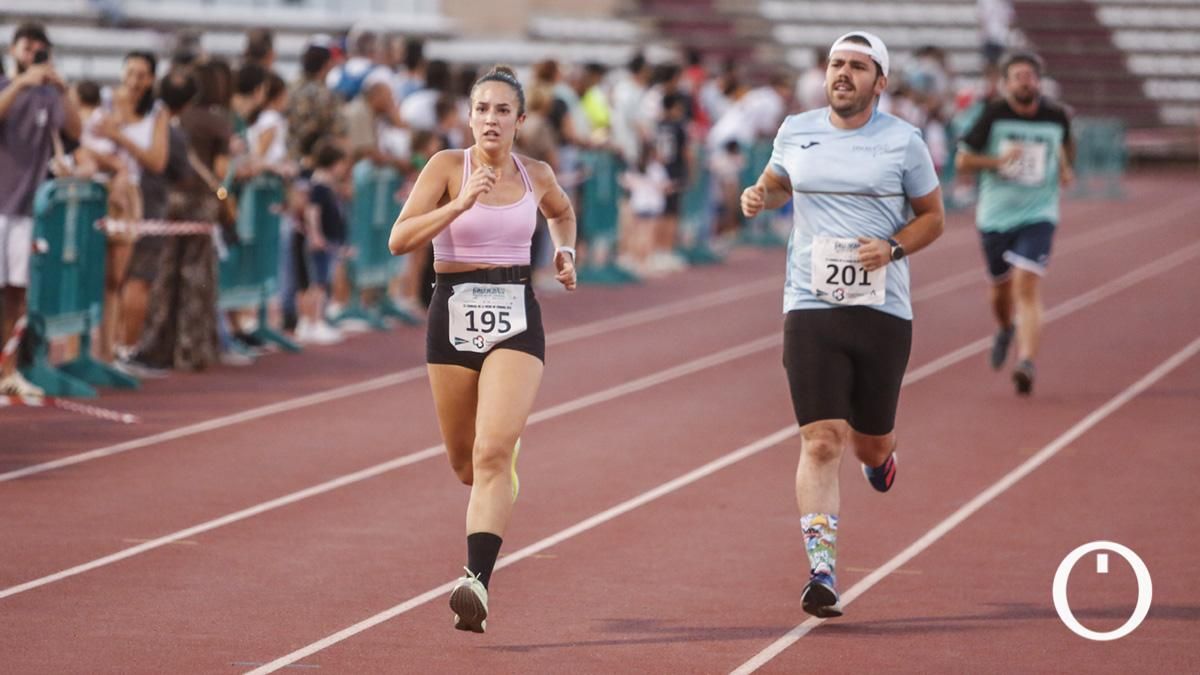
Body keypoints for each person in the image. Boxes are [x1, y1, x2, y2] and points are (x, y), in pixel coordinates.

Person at [740, 31, 944, 618]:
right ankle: (822, 571)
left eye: (857, 66)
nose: (843, 74)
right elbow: (779, 181)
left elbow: (933, 218)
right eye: (836, 64)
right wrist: (761, 194)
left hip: (882, 309)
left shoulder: (904, 142)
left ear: (880, 82)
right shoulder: (796, 128)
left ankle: (880, 458)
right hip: (810, 303)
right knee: (821, 438)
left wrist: (893, 249)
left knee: (869, 438)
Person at [387, 65, 577, 634]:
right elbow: (399, 239)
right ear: (468, 117)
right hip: (452, 308)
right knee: (466, 464)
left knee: (494, 451)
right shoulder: (447, 167)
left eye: (501, 110)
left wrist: (565, 251)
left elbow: (562, 213)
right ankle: (497, 469)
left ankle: (476, 582)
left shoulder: (536, 172)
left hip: (516, 313)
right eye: (481, 109)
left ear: (520, 121)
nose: (490, 119)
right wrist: (459, 204)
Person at [956, 50, 1073, 396]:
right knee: (1000, 290)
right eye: (1018, 76)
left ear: (1038, 80)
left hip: (1039, 213)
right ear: (1006, 85)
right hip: (995, 215)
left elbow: (1065, 146)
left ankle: (1026, 363)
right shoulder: (992, 115)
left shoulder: (1056, 115)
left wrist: (1066, 167)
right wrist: (998, 160)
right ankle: (1006, 328)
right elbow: (963, 161)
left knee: (1026, 284)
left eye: (1030, 75)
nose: (1025, 81)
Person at [0, 22, 81, 396]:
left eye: (39, 47)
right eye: (26, 46)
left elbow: (75, 132)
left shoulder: (50, 97)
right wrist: (22, 82)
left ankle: (7, 369)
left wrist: (63, 90)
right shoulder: (6, 86)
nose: (33, 53)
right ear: (14, 51)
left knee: (16, 292)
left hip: (29, 209)